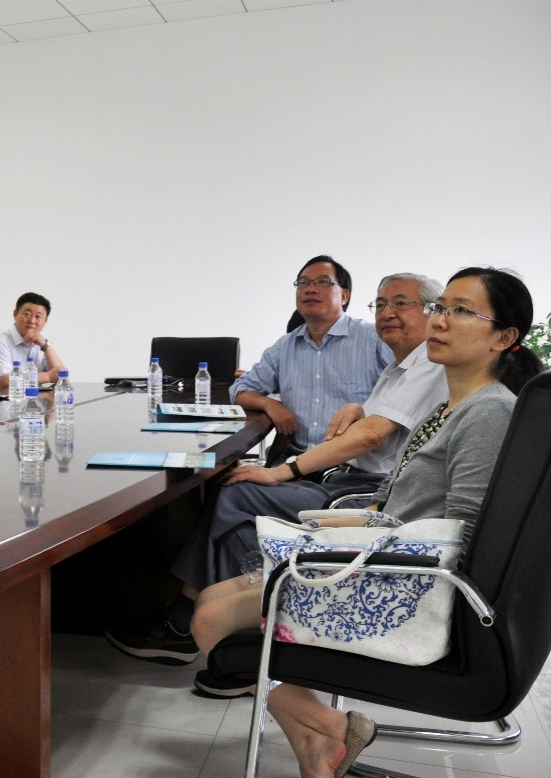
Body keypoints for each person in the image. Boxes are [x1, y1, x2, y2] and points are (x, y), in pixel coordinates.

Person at [190, 266, 542, 778]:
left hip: (403, 585)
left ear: (504, 338)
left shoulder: (486, 413)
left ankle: (330, 727)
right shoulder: (450, 406)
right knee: (210, 598)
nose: (440, 320)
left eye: (462, 311)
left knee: (209, 620)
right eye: (441, 307)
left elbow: (465, 537)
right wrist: (329, 534)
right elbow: (391, 500)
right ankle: (317, 747)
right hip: (382, 559)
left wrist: (350, 550)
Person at [110, 274, 450, 670]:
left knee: (236, 493)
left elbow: (372, 435)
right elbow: (245, 390)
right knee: (235, 518)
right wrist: (349, 408)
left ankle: (187, 623)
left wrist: (281, 473)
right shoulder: (394, 365)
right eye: (382, 305)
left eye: (401, 303)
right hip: (339, 475)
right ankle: (232, 642)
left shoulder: (426, 362)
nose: (388, 314)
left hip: (364, 492)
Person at [231, 255, 392, 456]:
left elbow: (405, 396)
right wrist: (269, 404)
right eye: (303, 283)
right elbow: (240, 389)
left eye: (323, 282)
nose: (310, 289)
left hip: (354, 462)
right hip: (295, 460)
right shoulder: (285, 346)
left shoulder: (374, 339)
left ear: (344, 296)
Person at [0, 292, 68, 392]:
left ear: (45, 321)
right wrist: (47, 377)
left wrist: (46, 345)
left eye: (38, 317)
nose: (32, 321)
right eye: (27, 314)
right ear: (15, 314)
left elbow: (60, 376)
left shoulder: (40, 344)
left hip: (31, 400)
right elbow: (5, 381)